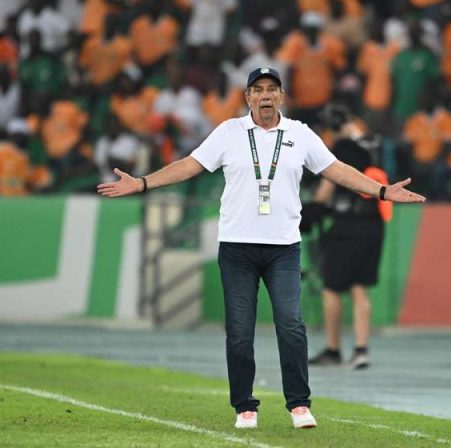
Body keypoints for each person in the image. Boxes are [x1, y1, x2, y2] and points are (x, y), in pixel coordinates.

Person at [97, 67, 426, 429]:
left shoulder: (300, 133)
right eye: (258, 89)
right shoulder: (229, 132)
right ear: (248, 97)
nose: (265, 95)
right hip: (237, 248)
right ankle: (244, 407)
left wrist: (382, 191)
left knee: (291, 324)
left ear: (282, 96)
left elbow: (336, 169)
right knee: (240, 332)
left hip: (283, 247)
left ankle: (299, 404)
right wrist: (143, 183)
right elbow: (189, 165)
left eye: (272, 89)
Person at [307, 104, 391, 370]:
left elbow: (327, 187)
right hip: (374, 223)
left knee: (331, 288)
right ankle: (361, 350)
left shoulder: (341, 149)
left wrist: (313, 210)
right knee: (359, 287)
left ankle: (333, 349)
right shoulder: (375, 143)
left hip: (347, 226)